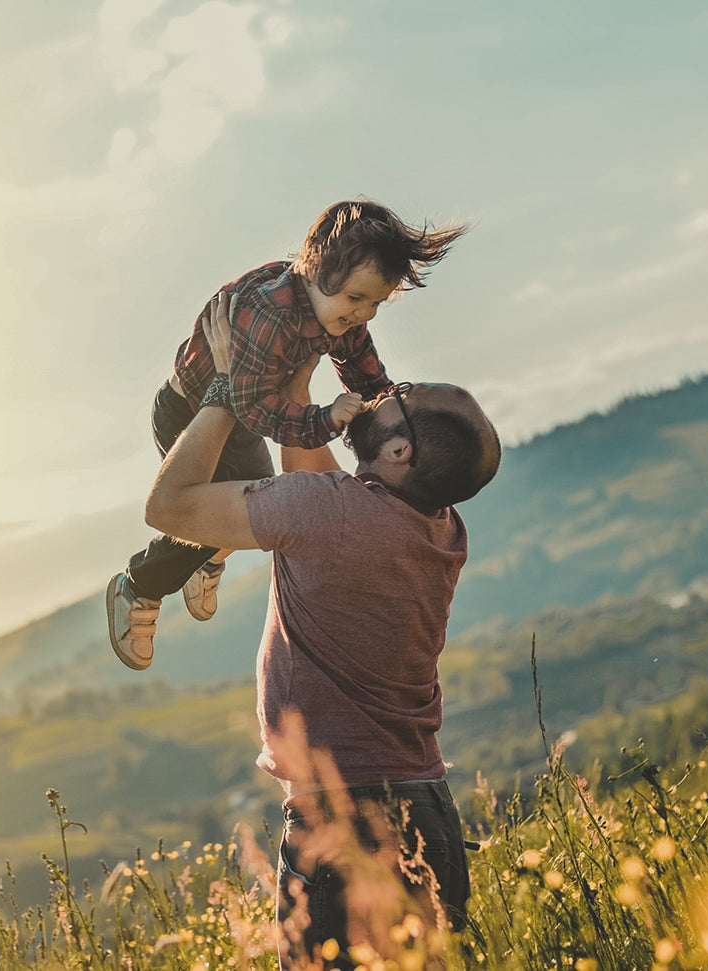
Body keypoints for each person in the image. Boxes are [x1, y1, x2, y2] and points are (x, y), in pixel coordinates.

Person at [142, 294, 501, 967]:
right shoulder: (438, 526)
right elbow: (313, 474)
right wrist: (296, 388)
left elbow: (167, 506)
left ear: (397, 449)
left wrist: (225, 390)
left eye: (395, 397)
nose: (377, 391)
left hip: (345, 825)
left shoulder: (329, 514)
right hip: (428, 813)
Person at [106, 200, 467, 671]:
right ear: (316, 270)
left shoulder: (340, 315)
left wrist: (393, 419)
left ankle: (209, 556)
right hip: (194, 412)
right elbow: (254, 407)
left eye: (377, 302)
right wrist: (323, 418)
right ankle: (138, 586)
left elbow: (366, 376)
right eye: (357, 299)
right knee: (214, 511)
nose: (366, 313)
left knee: (255, 494)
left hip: (248, 411)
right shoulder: (271, 312)